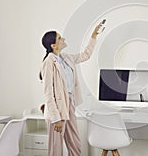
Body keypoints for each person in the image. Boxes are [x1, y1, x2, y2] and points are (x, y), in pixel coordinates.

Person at [40, 22, 103, 156]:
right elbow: (48, 93)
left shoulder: (66, 58)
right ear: (53, 45)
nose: (63, 40)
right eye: (60, 38)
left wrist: (93, 36)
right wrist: (56, 118)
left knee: (75, 144)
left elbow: (85, 55)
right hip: (56, 109)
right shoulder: (48, 63)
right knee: (56, 149)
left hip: (69, 104)